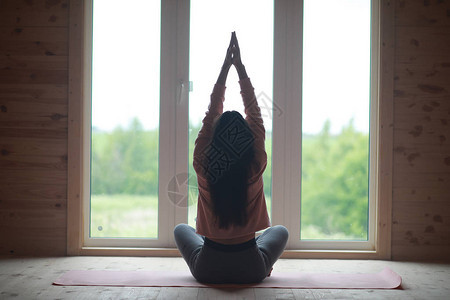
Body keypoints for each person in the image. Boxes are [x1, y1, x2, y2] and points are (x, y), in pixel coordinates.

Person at [174, 32, 288, 284]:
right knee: (280, 231)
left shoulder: (203, 164)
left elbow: (212, 112)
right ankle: (258, 257)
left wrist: (225, 68)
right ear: (247, 140)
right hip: (251, 268)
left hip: (208, 268)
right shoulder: (255, 164)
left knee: (181, 229)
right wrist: (240, 69)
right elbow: (256, 116)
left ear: (214, 138)